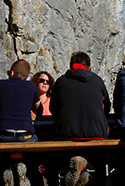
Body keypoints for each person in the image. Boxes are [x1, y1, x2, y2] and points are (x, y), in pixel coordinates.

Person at [50, 52, 111, 186]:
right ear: (89, 67)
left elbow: (53, 109)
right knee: (99, 161)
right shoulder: (97, 80)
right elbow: (107, 107)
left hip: (65, 134)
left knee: (60, 159)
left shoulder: (61, 81)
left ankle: (80, 167)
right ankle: (85, 167)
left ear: (71, 65)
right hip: (97, 135)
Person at [0, 59, 40, 142]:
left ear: (12, 72)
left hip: (4, 133)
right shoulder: (32, 86)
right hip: (25, 133)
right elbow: (39, 110)